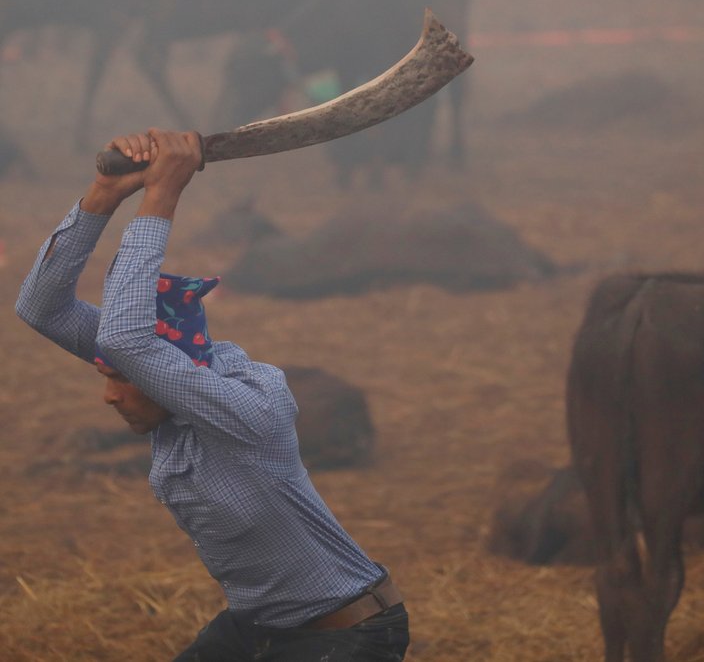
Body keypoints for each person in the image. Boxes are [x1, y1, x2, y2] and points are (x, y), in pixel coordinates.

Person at [15, 129, 409, 661]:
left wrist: (162, 196)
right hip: (255, 627)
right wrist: (104, 195)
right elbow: (41, 309)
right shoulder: (167, 382)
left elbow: (127, 340)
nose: (108, 397)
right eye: (108, 375)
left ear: (163, 372)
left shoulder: (250, 409)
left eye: (122, 377)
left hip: (348, 633)